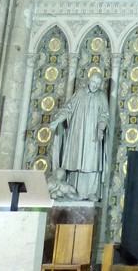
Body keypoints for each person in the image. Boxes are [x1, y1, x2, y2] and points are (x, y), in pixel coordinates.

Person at [50, 70, 110, 201]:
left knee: (92, 162)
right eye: (94, 82)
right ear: (89, 80)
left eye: (98, 83)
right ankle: (73, 189)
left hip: (92, 135)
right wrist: (57, 121)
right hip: (77, 133)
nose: (95, 85)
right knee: (75, 160)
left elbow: (104, 114)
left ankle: (91, 192)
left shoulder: (101, 96)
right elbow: (68, 108)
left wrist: (101, 128)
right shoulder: (80, 93)